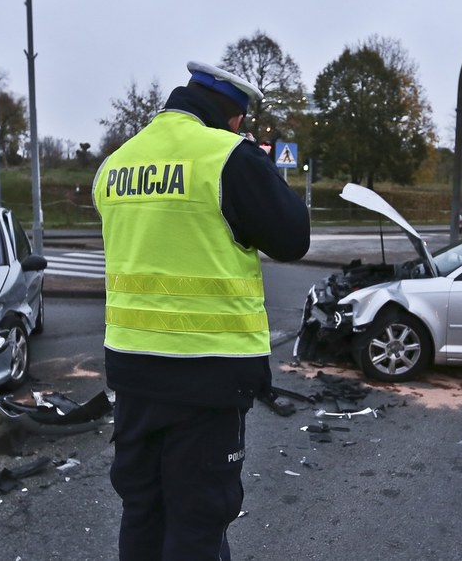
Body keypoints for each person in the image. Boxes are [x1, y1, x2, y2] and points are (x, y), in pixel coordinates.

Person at [93, 61, 311, 560]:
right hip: (209, 376)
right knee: (199, 521)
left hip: (131, 372)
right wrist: (261, 166)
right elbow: (293, 238)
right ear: (234, 118)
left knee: (142, 510)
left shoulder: (116, 164)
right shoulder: (227, 156)